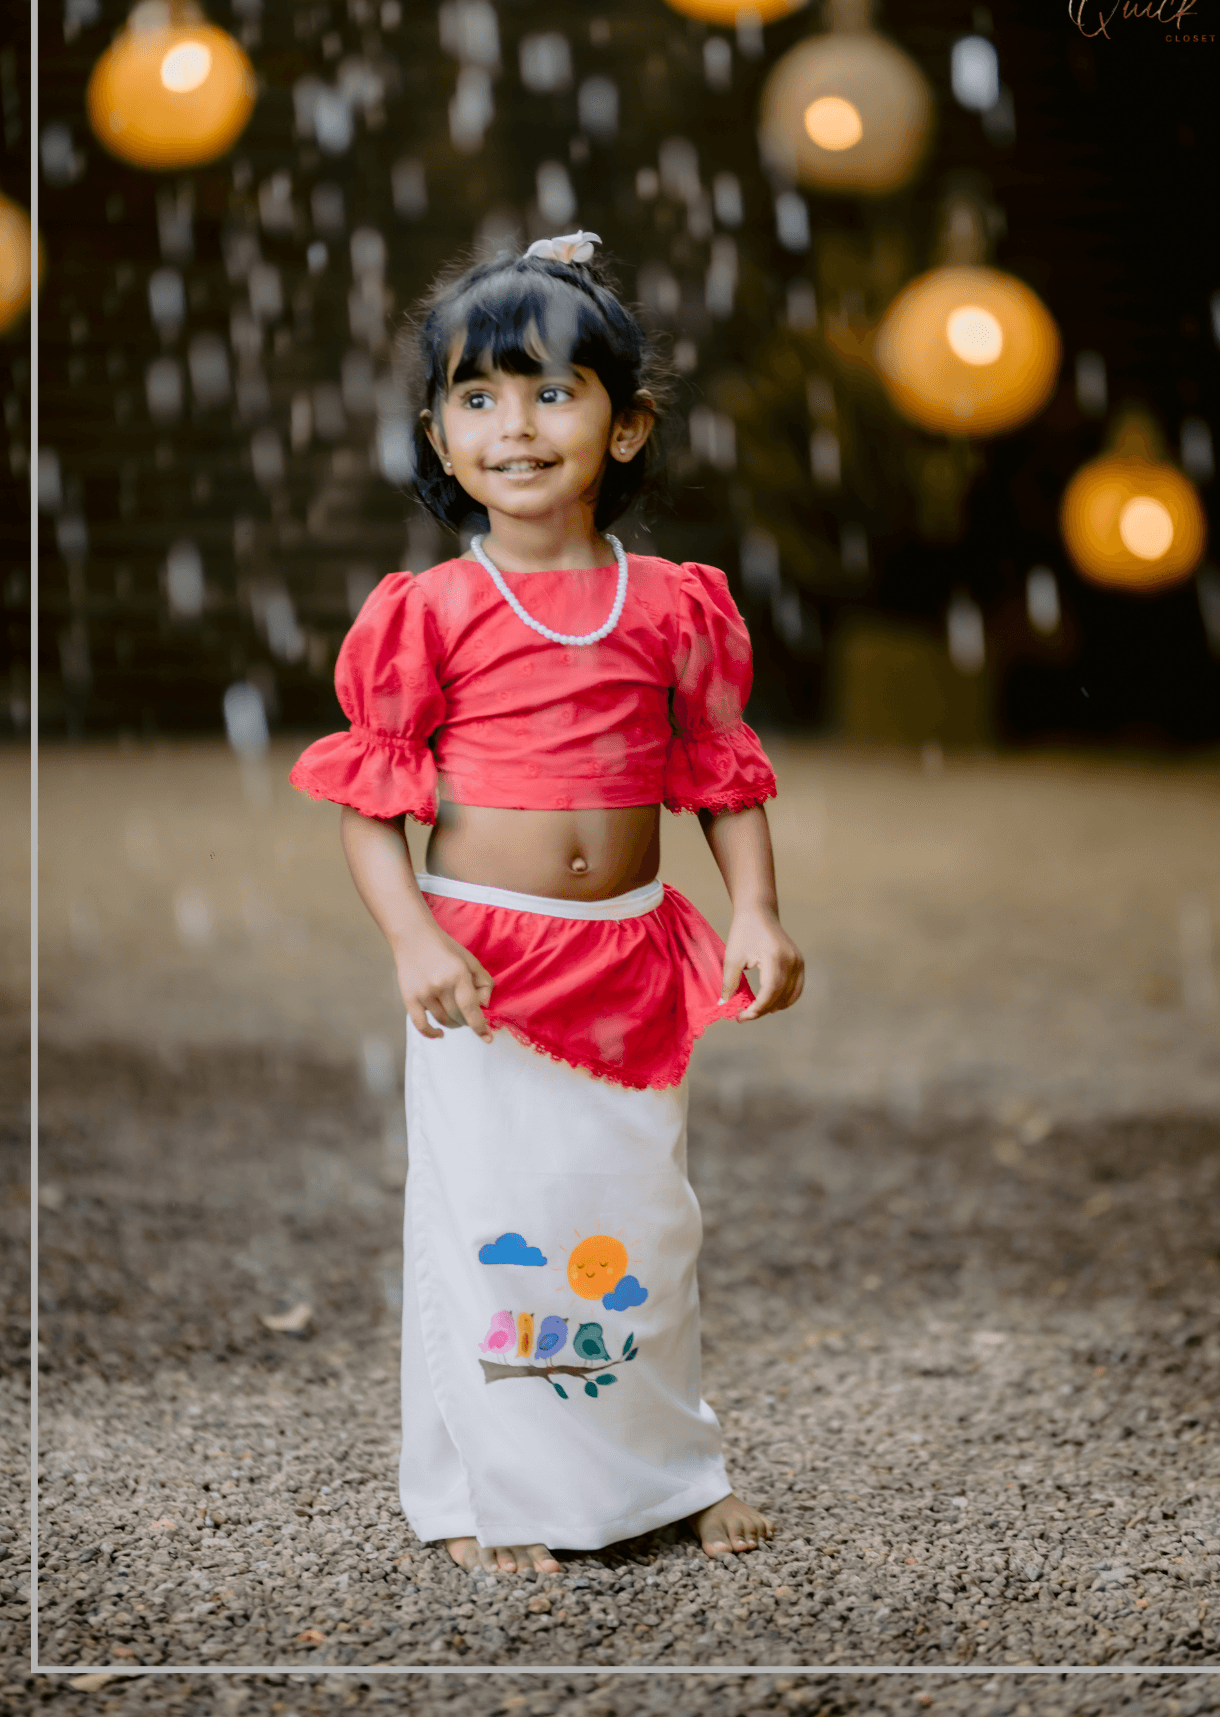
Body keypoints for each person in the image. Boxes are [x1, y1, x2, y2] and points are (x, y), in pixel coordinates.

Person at [290, 230, 803, 1578]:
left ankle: (669, 1466)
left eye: (552, 392)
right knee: (490, 1225)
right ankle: (493, 1487)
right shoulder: (434, 611)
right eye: (478, 397)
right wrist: (414, 936)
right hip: (485, 968)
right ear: (438, 433)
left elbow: (719, 773)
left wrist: (752, 910)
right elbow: (373, 802)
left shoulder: (670, 606)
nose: (513, 426)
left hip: (629, 953)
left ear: (624, 426)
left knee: (642, 1218)